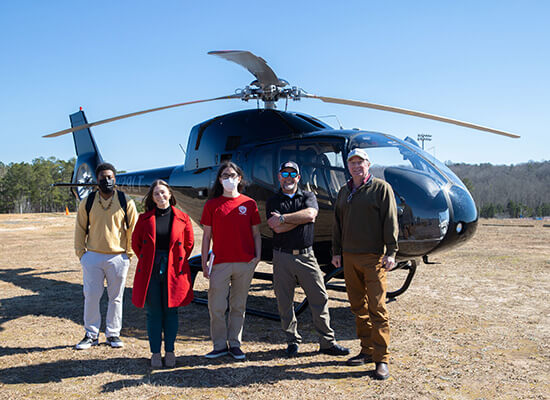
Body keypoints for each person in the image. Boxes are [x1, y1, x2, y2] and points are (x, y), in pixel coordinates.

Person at [266, 161, 350, 357]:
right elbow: (275, 227)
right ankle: (292, 341)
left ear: (298, 177)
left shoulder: (309, 196)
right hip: (282, 257)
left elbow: (311, 214)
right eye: (284, 173)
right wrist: (297, 219)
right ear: (279, 177)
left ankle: (327, 342)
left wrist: (284, 218)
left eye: (292, 173)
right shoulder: (273, 200)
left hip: (306, 256)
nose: (288, 177)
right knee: (284, 301)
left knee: (319, 298)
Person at [331, 148, 399, 380]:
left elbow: (390, 220)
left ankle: (382, 359)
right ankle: (367, 350)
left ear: (368, 164)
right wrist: (336, 252)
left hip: (373, 257)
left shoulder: (381, 189)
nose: (356, 166)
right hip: (349, 256)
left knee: (377, 308)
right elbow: (337, 224)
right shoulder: (344, 191)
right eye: (352, 163)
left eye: (360, 162)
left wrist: (391, 251)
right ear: (348, 167)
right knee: (358, 307)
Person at [200, 161, 261, 360]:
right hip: (220, 263)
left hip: (245, 262)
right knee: (216, 306)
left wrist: (257, 256)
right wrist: (204, 262)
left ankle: (235, 344)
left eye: (233, 175)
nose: (229, 179)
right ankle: (219, 345)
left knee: (238, 305)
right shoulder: (212, 205)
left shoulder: (249, 204)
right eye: (225, 176)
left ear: (240, 178)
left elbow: (256, 234)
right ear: (219, 180)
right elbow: (207, 236)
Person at [131, 180, 194, 368]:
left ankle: (171, 351)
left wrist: (176, 259)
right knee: (154, 312)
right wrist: (150, 258)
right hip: (151, 269)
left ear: (170, 194)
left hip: (174, 268)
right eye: (156, 194)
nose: (160, 196)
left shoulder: (183, 218)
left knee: (171, 311)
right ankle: (156, 353)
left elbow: (189, 244)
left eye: (163, 192)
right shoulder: (144, 219)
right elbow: (136, 244)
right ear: (152, 197)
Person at [74, 162, 137, 350]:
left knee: (116, 297)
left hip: (118, 257)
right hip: (92, 256)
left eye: (110, 178)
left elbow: (133, 229)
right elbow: (80, 228)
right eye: (103, 178)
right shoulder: (89, 201)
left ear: (115, 180)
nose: (107, 181)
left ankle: (113, 334)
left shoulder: (126, 202)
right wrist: (81, 254)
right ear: (97, 180)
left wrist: (129, 254)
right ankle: (91, 334)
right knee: (91, 296)